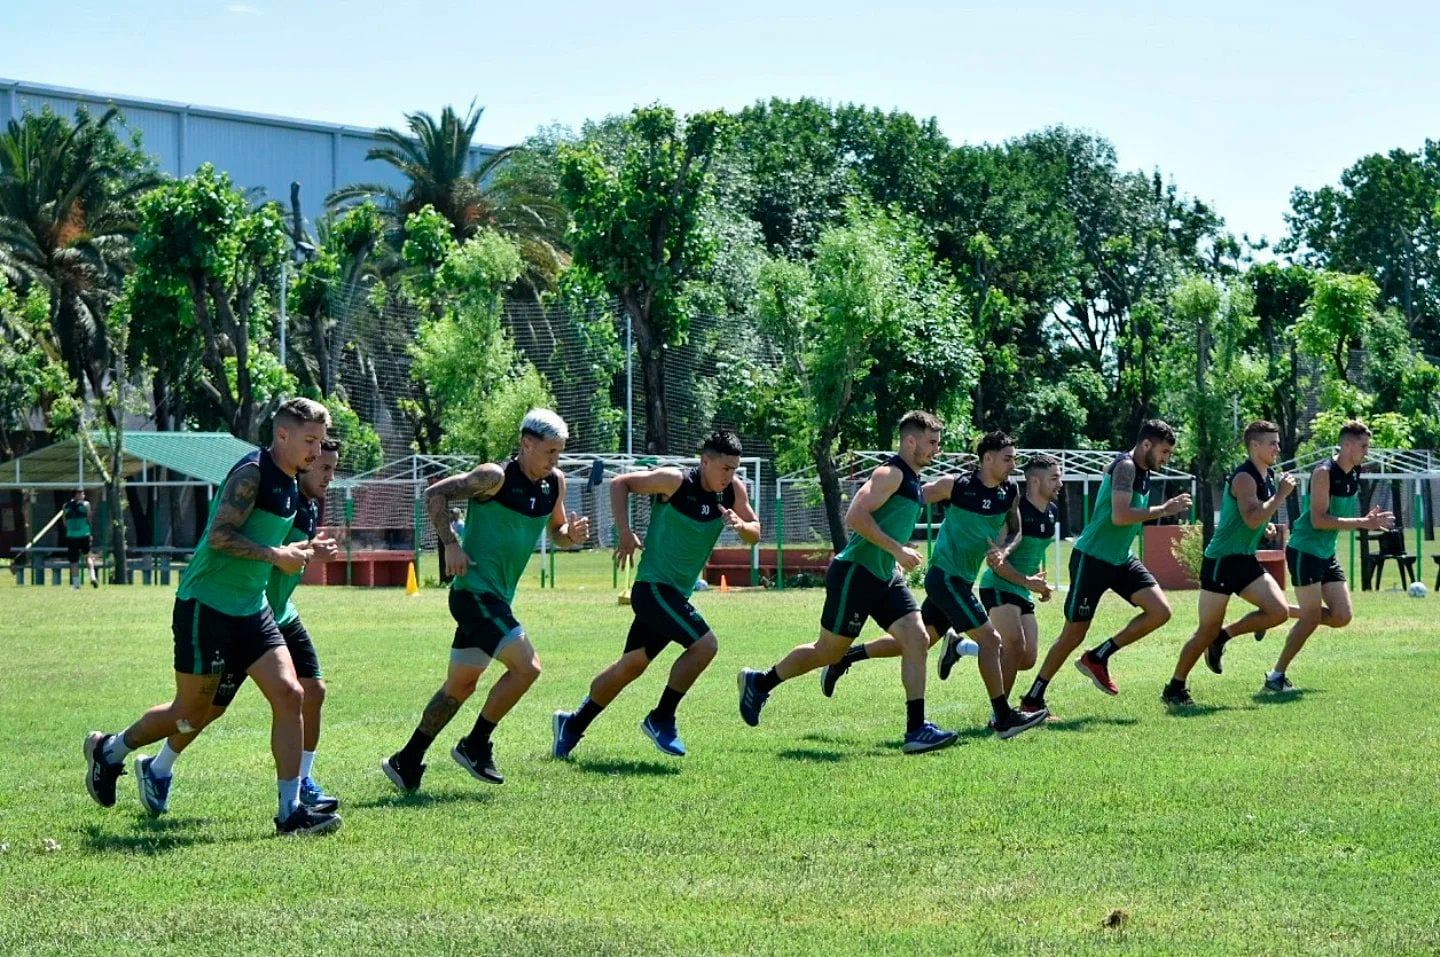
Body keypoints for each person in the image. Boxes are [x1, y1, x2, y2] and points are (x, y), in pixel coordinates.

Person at [85, 398, 338, 836]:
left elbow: (272, 545)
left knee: (291, 694)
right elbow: (220, 536)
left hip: (252, 608)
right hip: (207, 605)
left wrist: (299, 553)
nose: (317, 452)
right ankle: (111, 749)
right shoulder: (252, 474)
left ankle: (290, 812)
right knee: (190, 711)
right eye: (310, 441)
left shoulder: (294, 483)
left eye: (319, 441)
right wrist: (275, 554)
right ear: (282, 436)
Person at [382, 409, 589, 791]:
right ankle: (476, 745)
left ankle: (406, 759)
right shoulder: (494, 477)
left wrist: (569, 536)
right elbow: (435, 493)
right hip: (473, 594)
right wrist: (450, 545)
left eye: (559, 452)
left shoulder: (553, 483)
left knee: (459, 687)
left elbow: (557, 531)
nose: (555, 460)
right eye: (549, 451)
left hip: (497, 599)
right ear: (526, 444)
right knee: (528, 667)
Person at [133, 439, 343, 814]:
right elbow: (255, 547)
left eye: (330, 466)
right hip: (246, 613)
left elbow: (290, 556)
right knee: (205, 709)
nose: (328, 474)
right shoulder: (277, 495)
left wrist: (312, 549)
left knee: (310, 691)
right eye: (322, 466)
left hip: (280, 615)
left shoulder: (306, 504)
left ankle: (303, 785)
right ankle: (157, 766)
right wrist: (305, 552)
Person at [737, 411, 958, 754]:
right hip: (856, 573)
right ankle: (759, 682)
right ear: (910, 441)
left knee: (917, 638)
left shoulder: (913, 480)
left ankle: (917, 729)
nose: (937, 450)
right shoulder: (890, 473)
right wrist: (897, 549)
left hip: (885, 577)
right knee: (828, 651)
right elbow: (855, 516)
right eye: (932, 442)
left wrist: (894, 557)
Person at [816, 431, 1049, 738]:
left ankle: (845, 657)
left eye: (1015, 458)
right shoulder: (955, 486)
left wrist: (1002, 551)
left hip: (963, 581)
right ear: (987, 458)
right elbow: (906, 499)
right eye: (1008, 458)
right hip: (945, 578)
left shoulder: (1010, 491)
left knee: (919, 642)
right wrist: (894, 545)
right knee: (991, 641)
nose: (1013, 464)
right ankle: (1003, 716)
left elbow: (1016, 530)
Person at [553, 430, 761, 759]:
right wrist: (624, 532)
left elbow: (755, 533)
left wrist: (741, 525)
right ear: (705, 461)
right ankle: (661, 717)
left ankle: (573, 724)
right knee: (705, 645)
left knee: (631, 665)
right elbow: (620, 483)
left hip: (675, 595)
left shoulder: (733, 492)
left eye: (734, 469)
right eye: (724, 468)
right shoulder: (673, 481)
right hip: (652, 588)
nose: (729, 476)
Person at [1019, 420, 1192, 714]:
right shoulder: (1125, 467)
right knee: (1073, 634)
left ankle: (1098, 657)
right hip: (1093, 559)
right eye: (1164, 451)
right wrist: (1164, 509)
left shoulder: (1145, 471)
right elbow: (1120, 516)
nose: (1166, 459)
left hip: (1121, 558)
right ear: (1146, 444)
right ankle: (1032, 699)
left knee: (1160, 611)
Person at [1162, 421, 1296, 707]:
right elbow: (1251, 516)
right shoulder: (1244, 478)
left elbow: (1255, 519)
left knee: (1278, 611)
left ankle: (1223, 637)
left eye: (1277, 442)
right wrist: (1280, 496)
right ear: (1254, 446)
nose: (1277, 447)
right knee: (1205, 630)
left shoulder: (1269, 475)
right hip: (1222, 560)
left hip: (1244, 558)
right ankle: (1175, 688)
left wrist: (1266, 528)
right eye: (1271, 442)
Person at [1266, 420, 1392, 693]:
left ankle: (1277, 611)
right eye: (1363, 446)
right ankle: (1275, 676)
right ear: (1346, 445)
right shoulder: (1324, 472)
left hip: (1326, 553)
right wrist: (1363, 522)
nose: (1366, 452)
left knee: (1341, 616)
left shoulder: (1355, 471)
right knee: (1310, 619)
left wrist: (1366, 520)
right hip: (1305, 549)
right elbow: (1319, 520)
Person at [978, 453, 1062, 698]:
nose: (1060, 483)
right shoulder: (1015, 511)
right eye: (1054, 478)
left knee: (1027, 659)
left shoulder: (1052, 511)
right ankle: (1001, 713)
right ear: (1035, 482)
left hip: (1021, 588)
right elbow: (995, 562)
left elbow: (1030, 554)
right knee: (1014, 646)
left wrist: (1039, 583)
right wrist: (1029, 582)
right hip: (998, 585)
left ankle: (960, 647)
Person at [64, 489, 98, 589]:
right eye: (82, 493)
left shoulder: (66, 506)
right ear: (76, 494)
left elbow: (64, 522)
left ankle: (76, 584)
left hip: (71, 536)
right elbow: (89, 518)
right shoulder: (86, 504)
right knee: (87, 556)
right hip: (84, 534)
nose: (84, 495)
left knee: (74, 561)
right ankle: (92, 577)